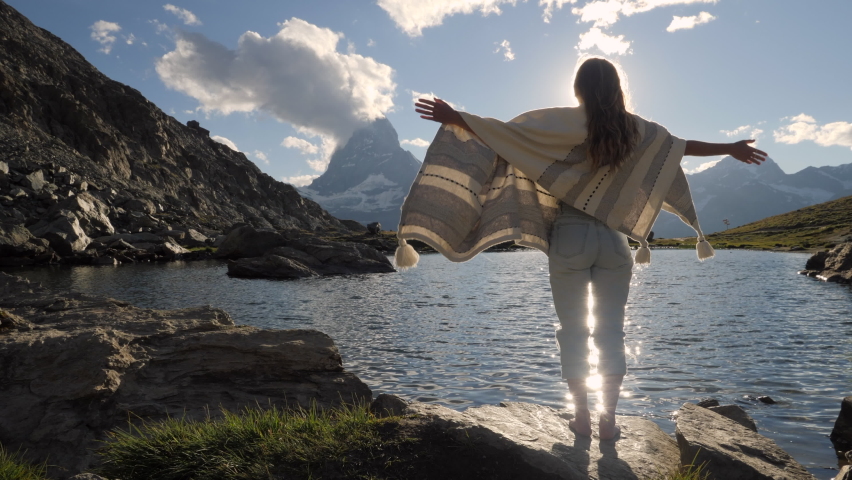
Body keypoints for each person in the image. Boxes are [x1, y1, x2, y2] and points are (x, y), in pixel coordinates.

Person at [404, 57, 767, 440]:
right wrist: (729, 147)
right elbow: (679, 148)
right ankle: (608, 420)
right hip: (614, 241)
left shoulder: (563, 123)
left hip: (570, 236)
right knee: (611, 331)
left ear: (577, 88)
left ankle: (581, 417)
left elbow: (505, 135)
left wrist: (456, 116)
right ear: (617, 89)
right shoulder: (636, 130)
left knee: (574, 331)